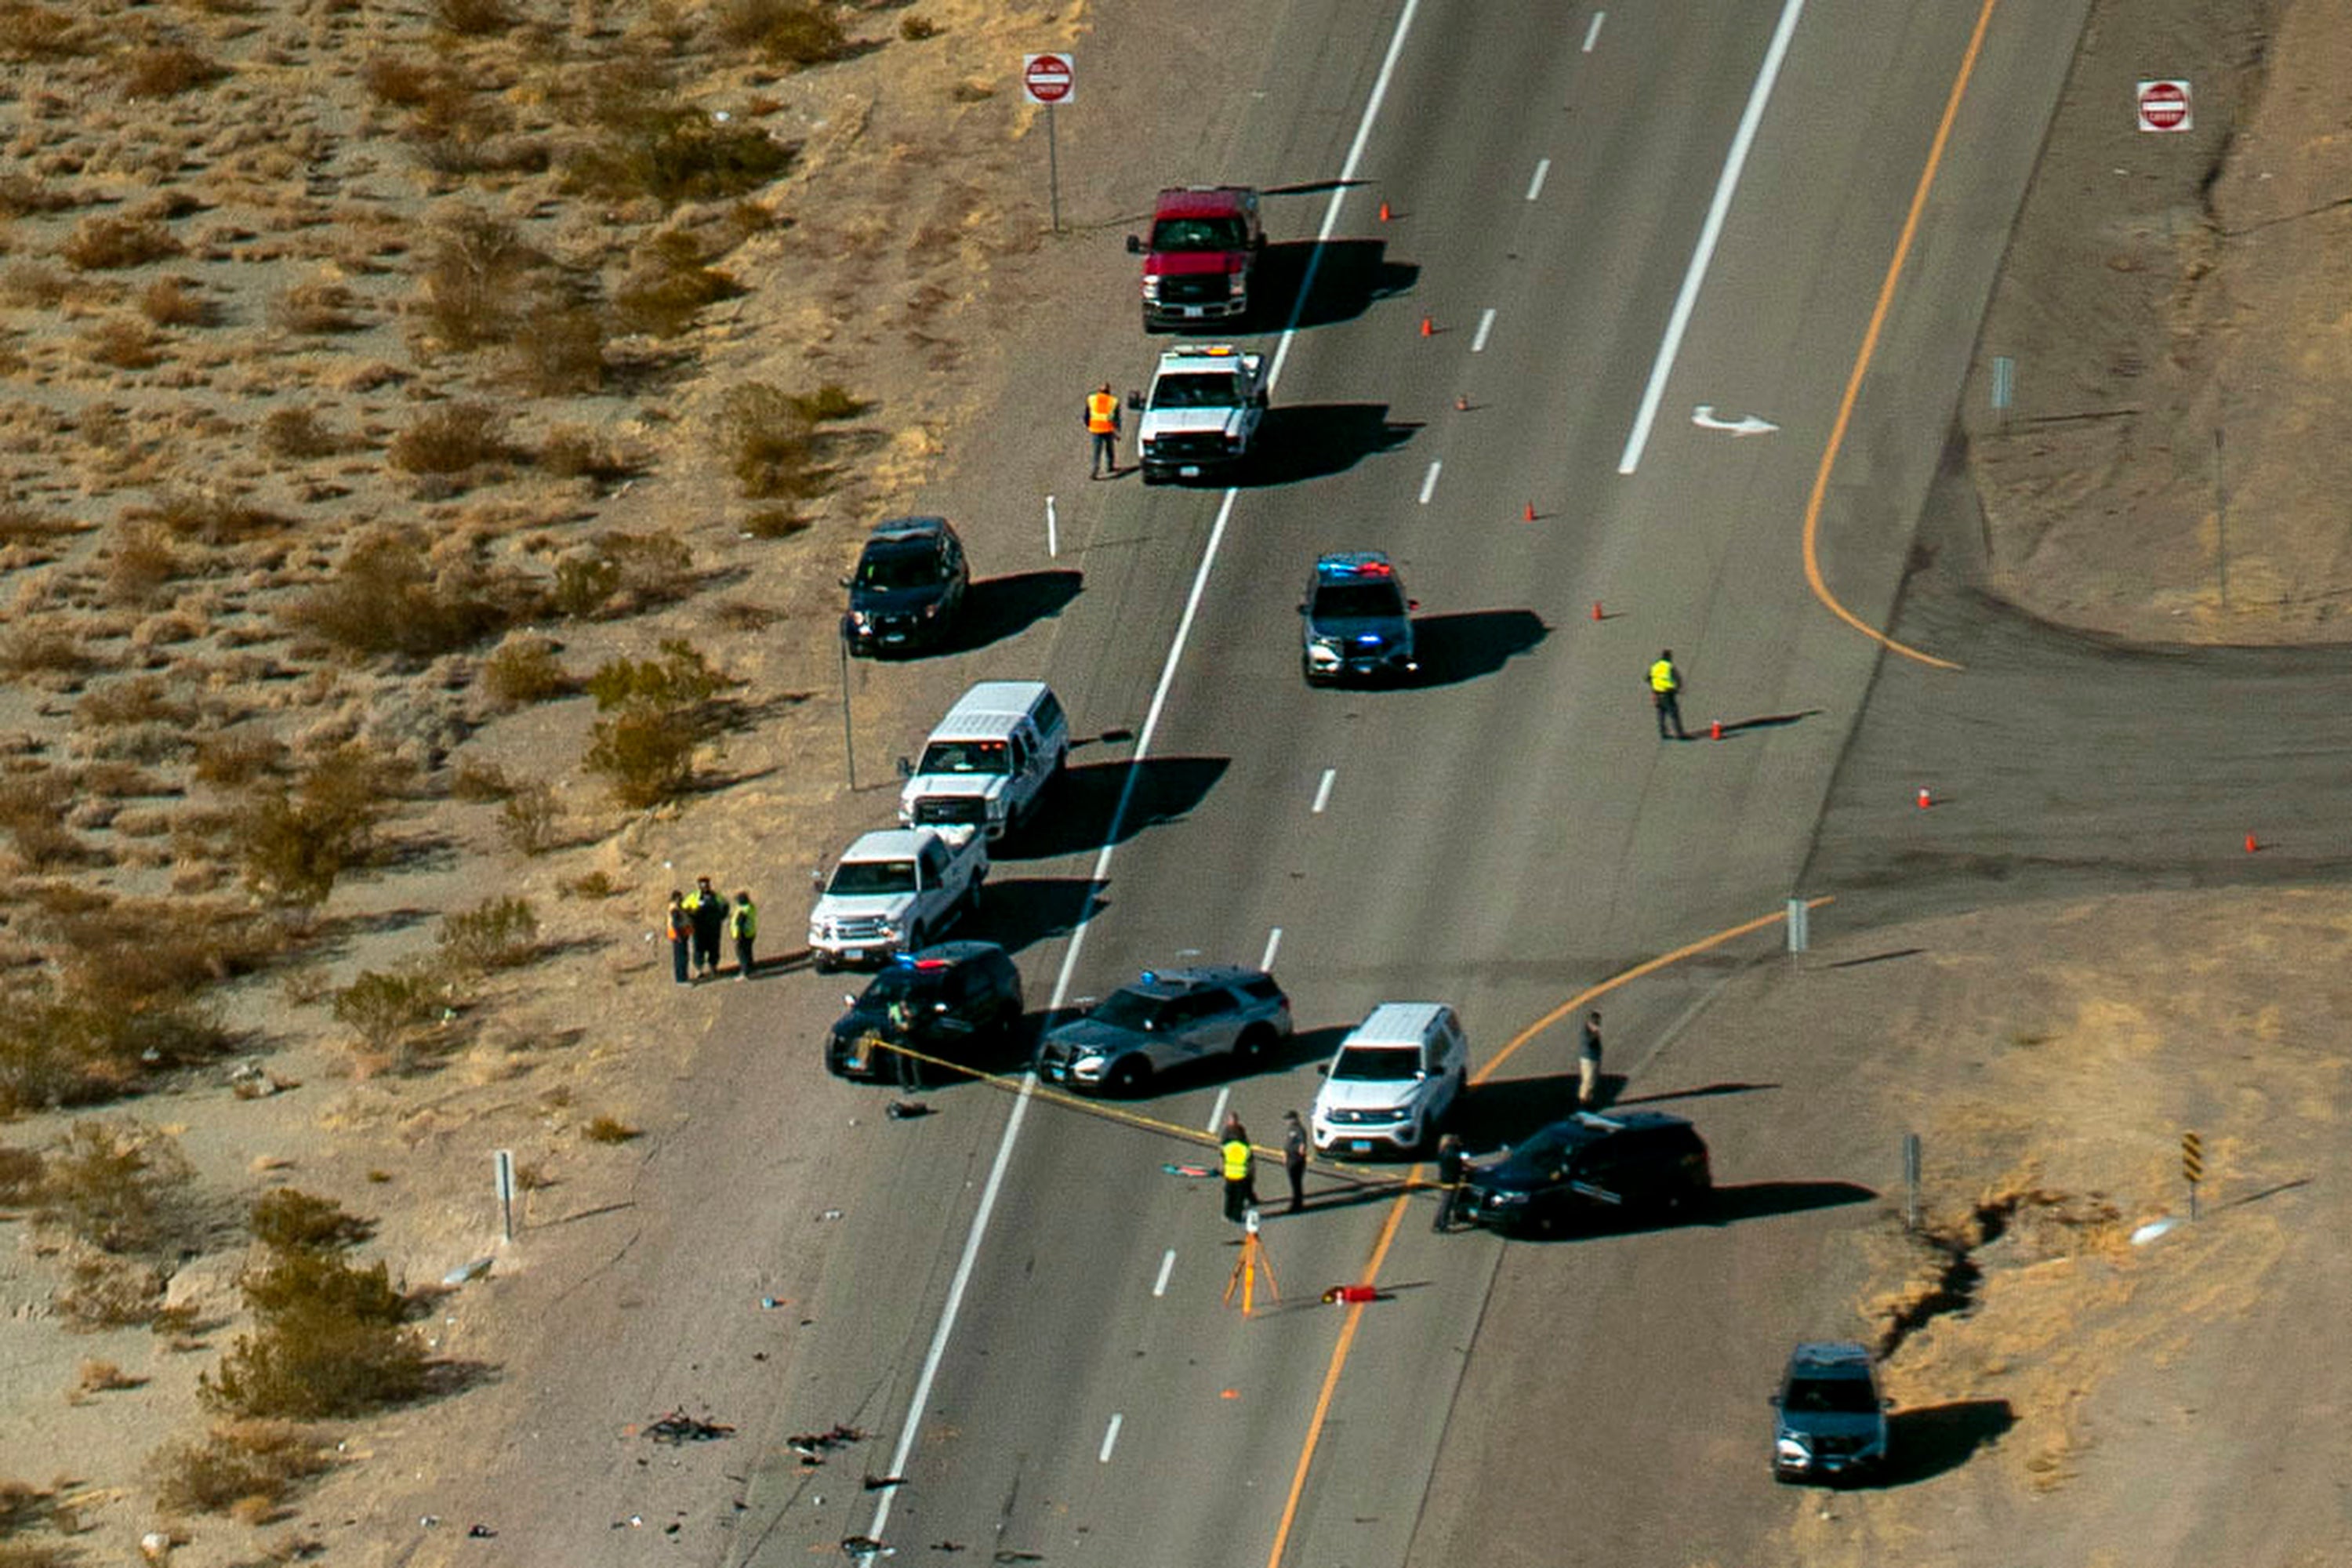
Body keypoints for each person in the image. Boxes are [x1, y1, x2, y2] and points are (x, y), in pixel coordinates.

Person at [685, 876, 728, 980]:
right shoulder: (694, 897)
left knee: (714, 949)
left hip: (713, 928)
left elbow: (725, 905)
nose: (705, 888)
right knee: (699, 949)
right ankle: (699, 970)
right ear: (699, 886)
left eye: (707, 885)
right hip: (699, 929)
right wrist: (691, 918)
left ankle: (714, 968)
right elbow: (684, 908)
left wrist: (721, 917)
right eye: (702, 885)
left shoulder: (716, 896)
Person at [1648, 650, 1689, 741]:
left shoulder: (1655, 666)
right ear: (1669, 657)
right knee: (1674, 714)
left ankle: (1663, 734)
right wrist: (1678, 689)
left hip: (1657, 694)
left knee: (1661, 714)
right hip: (1668, 694)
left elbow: (1648, 678)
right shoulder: (1669, 667)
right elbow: (1677, 678)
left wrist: (1654, 690)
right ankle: (1680, 734)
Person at [1221, 1122, 1256, 1224]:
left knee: (1229, 1196)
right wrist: (1251, 1176)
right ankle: (1236, 1216)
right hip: (1241, 1176)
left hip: (1229, 1175)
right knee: (1239, 1198)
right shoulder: (1245, 1148)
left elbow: (1222, 1159)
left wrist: (1223, 1171)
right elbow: (1250, 1163)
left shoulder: (1227, 1147)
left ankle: (1227, 1214)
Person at [1085, 382, 1122, 478]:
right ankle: (1110, 466)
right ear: (1109, 391)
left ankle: (1095, 471)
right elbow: (1117, 418)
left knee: (1096, 451)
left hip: (1096, 428)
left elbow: (1087, 415)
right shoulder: (1113, 401)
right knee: (1109, 449)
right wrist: (1117, 431)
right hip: (1108, 429)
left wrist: (1088, 425)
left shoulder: (1092, 399)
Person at [1432, 1134, 1465, 1232]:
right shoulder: (1451, 1153)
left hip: (1445, 1179)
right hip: (1450, 1180)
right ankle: (1443, 1225)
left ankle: (1437, 1223)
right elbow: (1457, 1164)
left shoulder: (1442, 1151)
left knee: (1444, 1203)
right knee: (1447, 1204)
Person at [1283, 1110, 1308, 1214]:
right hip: (1290, 1158)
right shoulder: (1290, 1129)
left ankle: (1298, 1203)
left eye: (1289, 1119)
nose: (1288, 1121)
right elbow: (1287, 1144)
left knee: (1296, 1183)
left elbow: (1302, 1144)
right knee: (1294, 1182)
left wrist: (1300, 1153)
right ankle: (1296, 1202)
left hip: (1296, 1159)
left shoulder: (1299, 1130)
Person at [729, 890, 758, 981]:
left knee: (742, 954)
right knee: (748, 952)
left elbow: (739, 925)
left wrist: (738, 938)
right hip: (750, 933)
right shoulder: (750, 907)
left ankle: (745, 972)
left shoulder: (742, 911)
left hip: (743, 936)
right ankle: (751, 968)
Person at [666, 891, 691, 985]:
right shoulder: (675, 909)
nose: (682, 899)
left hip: (680, 935)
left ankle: (682, 977)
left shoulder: (676, 907)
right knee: (681, 957)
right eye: (680, 898)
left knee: (681, 956)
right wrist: (679, 936)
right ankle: (682, 979)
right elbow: (675, 923)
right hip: (679, 936)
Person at [1578, 1011, 1603, 1109]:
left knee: (1593, 1080)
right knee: (1587, 1080)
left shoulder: (1593, 1031)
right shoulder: (1586, 1032)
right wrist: (1595, 1033)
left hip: (1595, 1057)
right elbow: (1589, 1043)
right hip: (1587, 1059)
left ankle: (1590, 1099)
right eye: (1595, 1023)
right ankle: (1583, 1100)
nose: (1597, 1026)